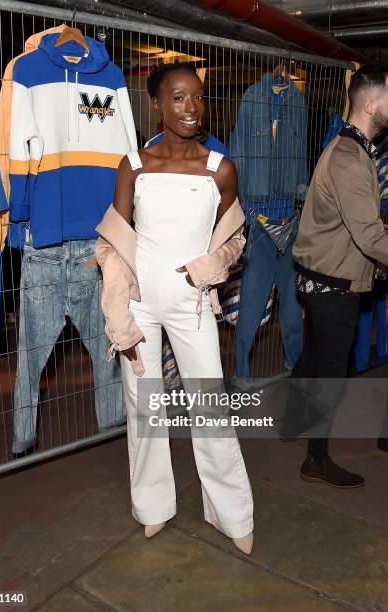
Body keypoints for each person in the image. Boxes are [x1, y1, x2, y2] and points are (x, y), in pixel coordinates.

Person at [95, 62, 254, 553]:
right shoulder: (134, 165)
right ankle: (153, 507)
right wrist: (117, 307)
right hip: (142, 306)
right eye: (179, 98)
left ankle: (234, 515)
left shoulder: (218, 168)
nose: (191, 108)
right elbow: (115, 243)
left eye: (199, 98)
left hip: (193, 306)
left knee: (210, 408)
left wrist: (213, 264)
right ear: (158, 104)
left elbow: (233, 238)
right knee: (144, 410)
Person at [290, 64, 388, 487]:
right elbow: (369, 236)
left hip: (320, 276)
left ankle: (291, 419)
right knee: (331, 371)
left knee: (313, 356)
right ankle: (316, 459)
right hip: (333, 284)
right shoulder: (350, 157)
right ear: (370, 103)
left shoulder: (354, 148)